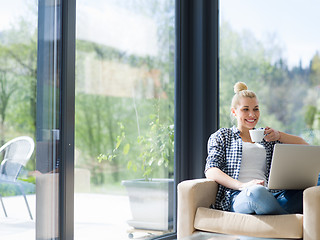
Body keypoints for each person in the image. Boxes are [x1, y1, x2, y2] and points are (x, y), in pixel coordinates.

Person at [205, 82, 308, 215]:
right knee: (256, 193)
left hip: (272, 195)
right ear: (234, 112)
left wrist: (279, 135)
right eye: (245, 109)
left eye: (256, 109)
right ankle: (283, 215)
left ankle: (272, 212)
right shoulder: (223, 136)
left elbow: (304, 145)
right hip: (239, 195)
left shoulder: (267, 137)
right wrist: (243, 185)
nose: (252, 115)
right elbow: (211, 170)